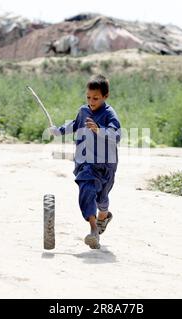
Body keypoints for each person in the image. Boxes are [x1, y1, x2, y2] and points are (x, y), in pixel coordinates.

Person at [49, 75, 121, 249]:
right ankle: (93, 230)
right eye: (88, 97)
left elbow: (117, 135)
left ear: (105, 96)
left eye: (96, 98)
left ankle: (104, 216)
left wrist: (98, 129)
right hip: (85, 163)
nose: (91, 101)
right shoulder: (83, 111)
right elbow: (75, 124)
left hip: (105, 165)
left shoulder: (109, 114)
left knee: (102, 200)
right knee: (86, 190)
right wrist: (58, 131)